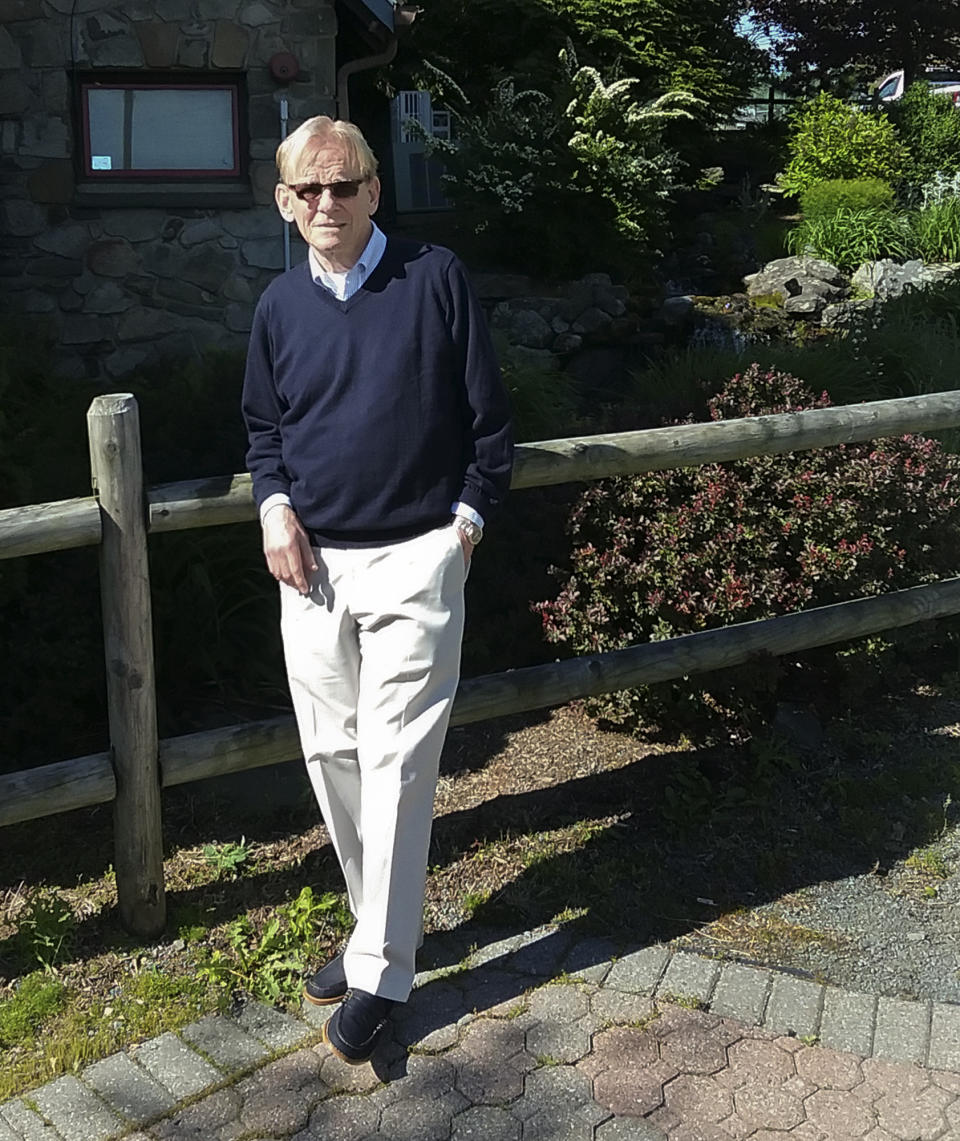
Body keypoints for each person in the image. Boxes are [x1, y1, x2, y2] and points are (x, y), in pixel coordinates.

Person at [241, 115, 513, 1065]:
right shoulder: (278, 304)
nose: (326, 202)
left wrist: (463, 529)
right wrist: (273, 508)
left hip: (415, 559)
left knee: (398, 766)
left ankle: (382, 975)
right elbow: (262, 432)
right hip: (309, 568)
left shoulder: (433, 277)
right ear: (284, 202)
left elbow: (489, 421)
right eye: (307, 190)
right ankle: (373, 932)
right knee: (336, 758)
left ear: (373, 190)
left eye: (343, 185)